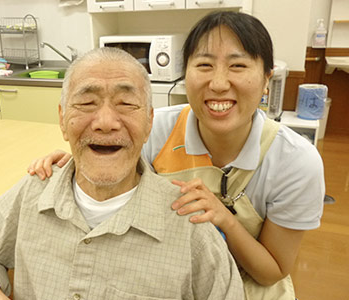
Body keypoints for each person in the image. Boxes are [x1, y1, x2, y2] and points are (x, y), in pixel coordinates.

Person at [27, 11, 325, 300]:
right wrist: (78, 159)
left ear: (265, 80)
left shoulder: (295, 162)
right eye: (205, 65)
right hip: (172, 276)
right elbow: (109, 162)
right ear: (186, 75)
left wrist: (225, 220)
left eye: (238, 66)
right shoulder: (153, 131)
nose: (219, 83)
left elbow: (272, 271)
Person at [0, 47, 244, 300]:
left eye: (126, 104)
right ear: (63, 120)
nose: (105, 122)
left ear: (149, 122)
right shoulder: (35, 191)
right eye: (87, 103)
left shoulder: (189, 224)